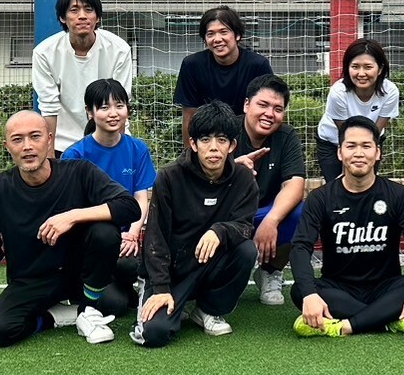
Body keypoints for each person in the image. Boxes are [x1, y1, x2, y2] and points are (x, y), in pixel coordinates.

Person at [0, 111, 141, 349]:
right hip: (32, 279)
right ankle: (58, 316)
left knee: (114, 296)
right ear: (7, 147)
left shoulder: (80, 172)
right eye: (17, 139)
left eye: (35, 136)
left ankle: (87, 309)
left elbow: (129, 207)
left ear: (49, 140)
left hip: (79, 274)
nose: (27, 146)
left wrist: (72, 216)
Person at [289, 116, 404, 338]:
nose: (358, 153)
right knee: (299, 290)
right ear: (339, 153)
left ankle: (345, 326)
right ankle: (388, 319)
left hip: (387, 287)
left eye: (366, 146)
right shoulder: (320, 198)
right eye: (351, 146)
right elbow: (300, 247)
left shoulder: (400, 196)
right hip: (338, 288)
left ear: (378, 152)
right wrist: (309, 295)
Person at [134, 102, 258, 348]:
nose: (213, 148)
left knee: (246, 250)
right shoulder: (169, 176)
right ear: (193, 143)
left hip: (207, 266)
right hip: (172, 271)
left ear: (232, 146)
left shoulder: (243, 179)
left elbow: (244, 226)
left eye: (222, 140)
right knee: (154, 334)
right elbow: (156, 237)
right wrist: (161, 287)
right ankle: (154, 295)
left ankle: (208, 310)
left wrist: (220, 230)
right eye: (205, 140)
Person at [61, 78, 156, 308]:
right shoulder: (74, 156)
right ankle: (87, 286)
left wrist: (132, 233)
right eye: (104, 107)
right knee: (117, 305)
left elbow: (141, 198)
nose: (113, 113)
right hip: (94, 240)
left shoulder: (138, 149)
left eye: (119, 106)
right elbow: (72, 210)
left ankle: (120, 284)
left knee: (131, 264)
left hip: (126, 240)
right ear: (90, 112)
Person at [32, 0, 136, 155]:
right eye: (74, 10)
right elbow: (48, 107)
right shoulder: (44, 53)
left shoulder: (119, 49)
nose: (82, 16)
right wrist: (50, 159)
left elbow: (120, 104)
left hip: (108, 140)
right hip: (63, 145)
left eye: (89, 10)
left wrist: (116, 152)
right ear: (63, 17)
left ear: (98, 17)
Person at [234, 74, 308, 306]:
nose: (270, 114)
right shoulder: (226, 131)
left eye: (278, 109)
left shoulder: (286, 136)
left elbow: (295, 184)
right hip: (228, 215)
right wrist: (231, 169)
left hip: (265, 212)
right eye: (263, 105)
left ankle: (270, 271)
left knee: (303, 213)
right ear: (247, 105)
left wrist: (271, 220)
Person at [173, 5, 274, 145]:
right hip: (208, 142)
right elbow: (189, 116)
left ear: (237, 35)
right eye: (210, 34)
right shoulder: (192, 65)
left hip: (248, 139)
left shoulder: (258, 65)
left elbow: (270, 110)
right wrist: (189, 154)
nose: (217, 39)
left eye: (223, 32)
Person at [315, 38, 401, 184]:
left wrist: (367, 151)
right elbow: (345, 134)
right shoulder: (338, 92)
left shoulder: (390, 91)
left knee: (365, 183)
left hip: (370, 139)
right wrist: (346, 172)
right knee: (338, 186)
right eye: (355, 67)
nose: (361, 73)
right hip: (333, 140)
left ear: (380, 69)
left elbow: (376, 131)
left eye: (368, 67)